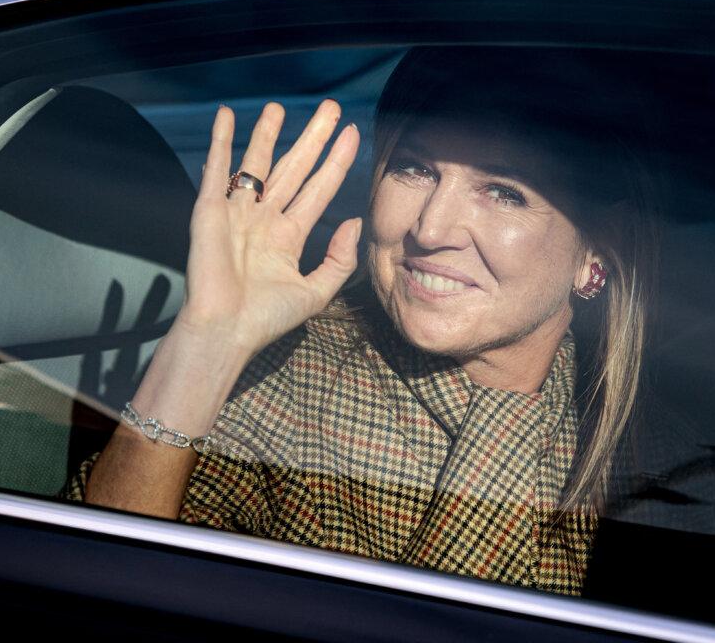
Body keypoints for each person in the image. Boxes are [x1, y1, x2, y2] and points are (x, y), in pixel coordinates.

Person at [67, 47, 656, 596]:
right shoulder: (296, 376)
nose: (430, 229)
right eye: (415, 169)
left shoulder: (641, 437)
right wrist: (207, 340)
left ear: (595, 255)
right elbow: (105, 585)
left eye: (503, 191)